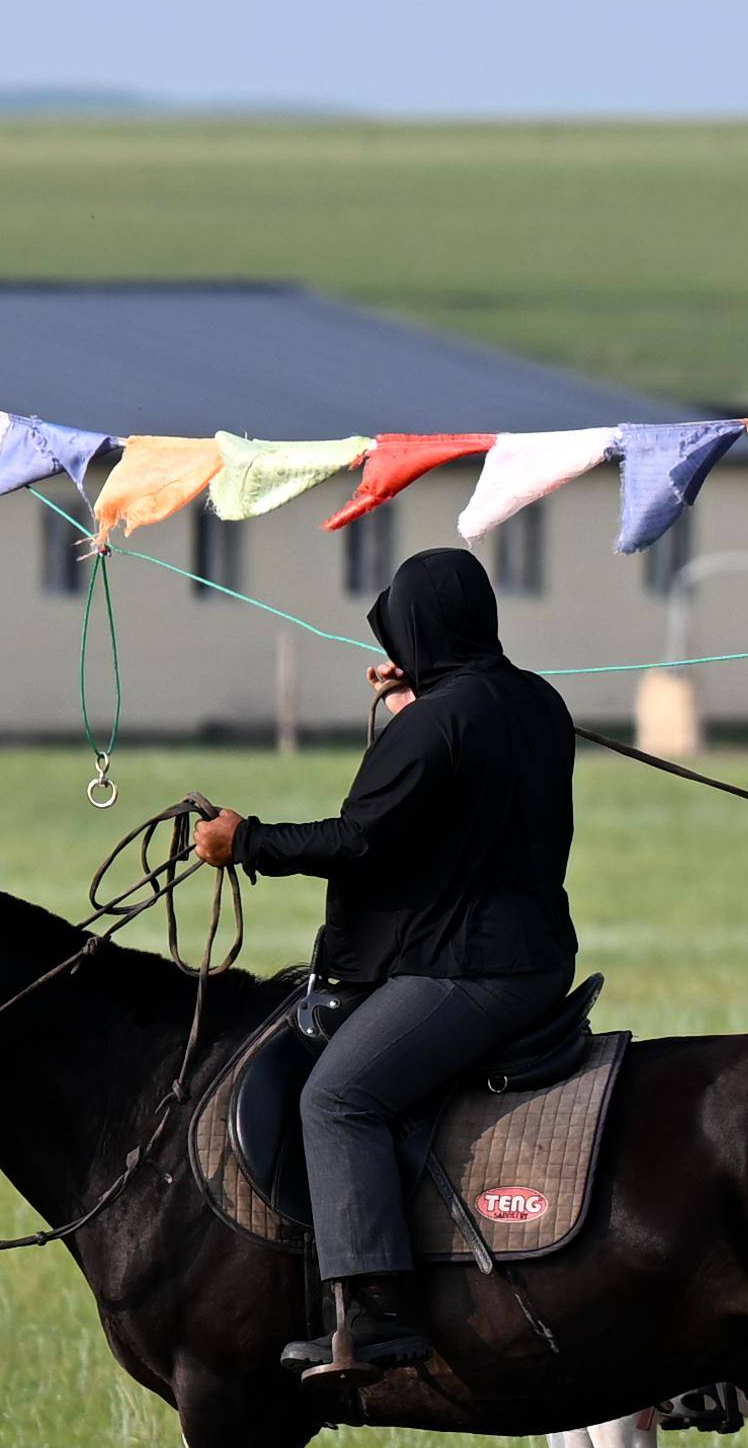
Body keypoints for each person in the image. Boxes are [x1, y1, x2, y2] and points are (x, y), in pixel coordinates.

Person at [188, 546, 579, 1381]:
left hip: (471, 972)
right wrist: (416, 697)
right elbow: (461, 782)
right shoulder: (537, 702)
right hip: (538, 956)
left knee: (337, 1095)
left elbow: (356, 841)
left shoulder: (439, 723)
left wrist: (243, 839)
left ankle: (377, 1315)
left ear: (420, 629)